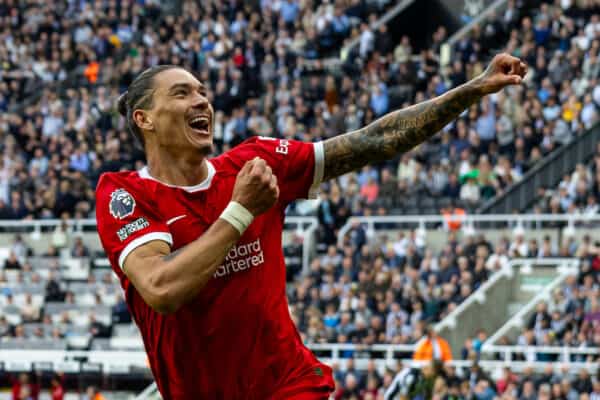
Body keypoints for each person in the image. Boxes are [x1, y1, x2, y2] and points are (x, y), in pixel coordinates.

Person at [95, 54, 526, 398]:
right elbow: (162, 289)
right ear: (144, 119)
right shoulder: (124, 195)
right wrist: (240, 212)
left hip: (290, 384)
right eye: (182, 93)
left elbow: (375, 141)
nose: (202, 101)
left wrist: (472, 90)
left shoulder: (256, 163)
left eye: (203, 93)